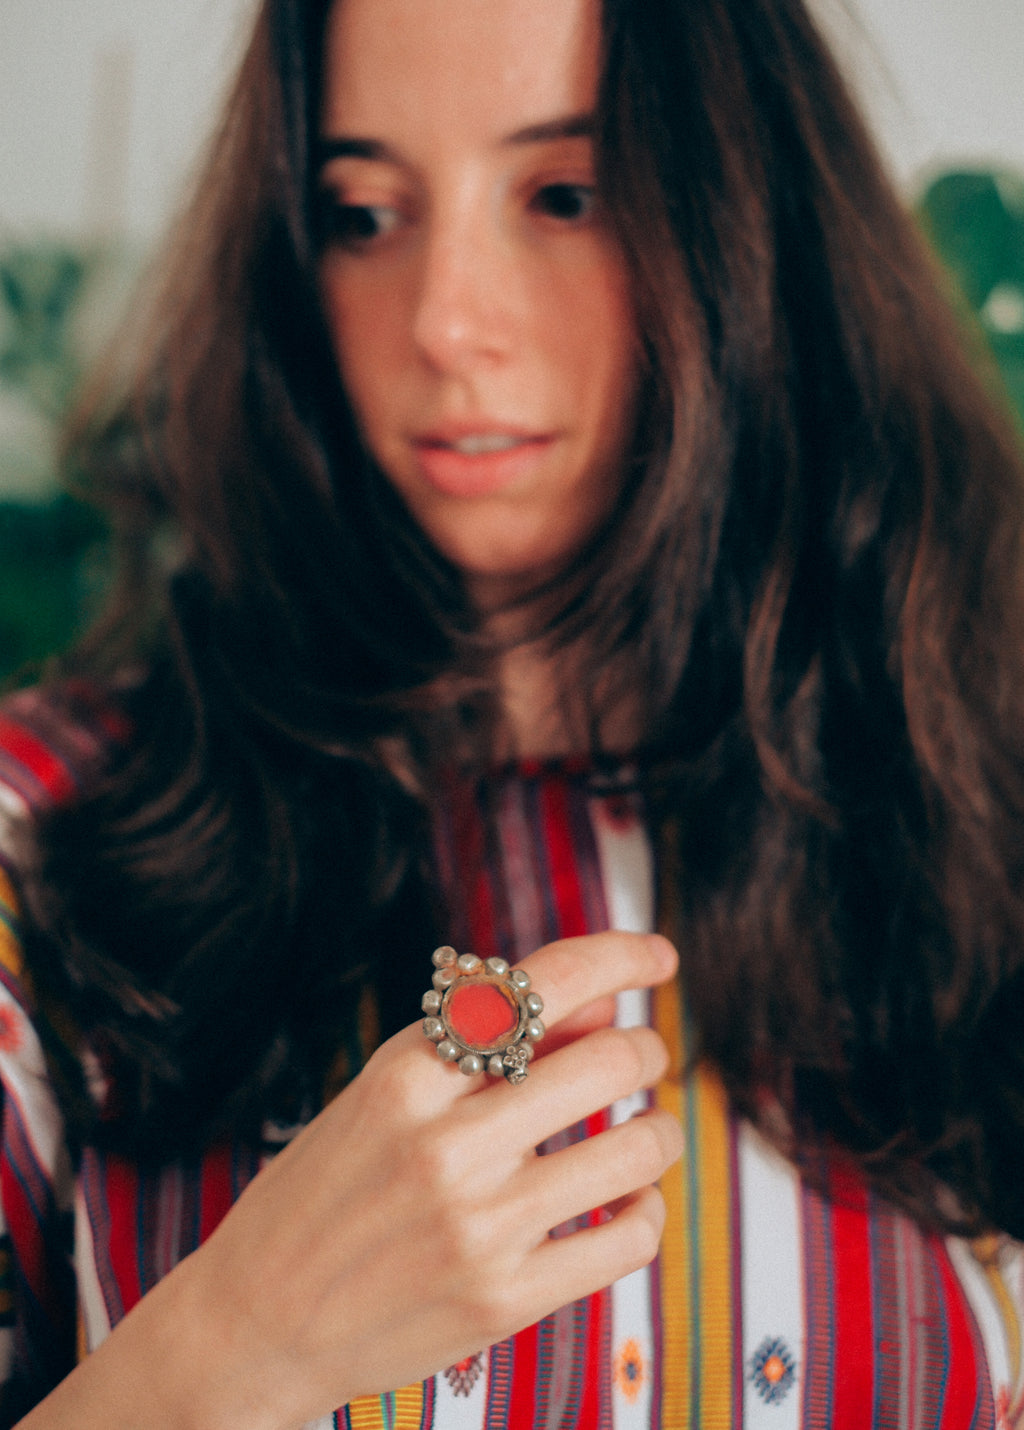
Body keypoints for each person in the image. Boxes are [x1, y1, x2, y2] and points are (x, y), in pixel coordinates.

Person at [2, 0, 1024, 1423]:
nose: (444, 320)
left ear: (756, 219)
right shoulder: (40, 837)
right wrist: (233, 1347)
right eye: (361, 213)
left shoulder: (981, 805)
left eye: (564, 194)